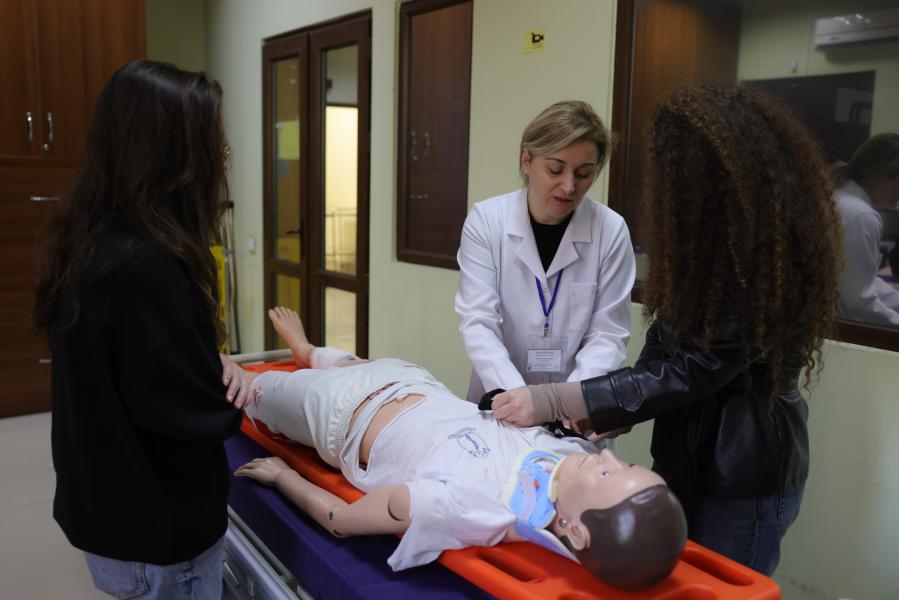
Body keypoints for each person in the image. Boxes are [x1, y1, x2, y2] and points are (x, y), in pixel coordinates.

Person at [488, 83, 843, 576]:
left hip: (741, 470)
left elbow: (699, 365)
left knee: (720, 584)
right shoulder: (711, 237)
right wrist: (614, 410)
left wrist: (559, 399)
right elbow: (668, 336)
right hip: (684, 453)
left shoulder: (762, 253)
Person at [235, 308, 686, 590]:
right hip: (412, 379)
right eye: (624, 463)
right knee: (355, 363)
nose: (605, 457)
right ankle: (307, 351)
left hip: (338, 415)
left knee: (239, 382)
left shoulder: (469, 507)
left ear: (576, 531)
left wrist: (283, 476)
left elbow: (341, 522)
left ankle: (304, 361)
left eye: (607, 475)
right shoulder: (574, 457)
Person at [33, 60, 255, 599]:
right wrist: (235, 384)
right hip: (157, 534)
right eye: (216, 148)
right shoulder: (147, 268)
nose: (223, 162)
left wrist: (202, 358)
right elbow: (203, 410)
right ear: (177, 160)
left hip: (107, 512)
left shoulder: (91, 241)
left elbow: (138, 367)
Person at [454, 100, 636, 409]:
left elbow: (608, 334)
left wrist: (562, 404)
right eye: (555, 169)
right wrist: (519, 399)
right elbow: (479, 322)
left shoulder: (610, 230)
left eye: (584, 173)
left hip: (573, 408)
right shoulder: (487, 221)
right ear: (526, 160)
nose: (569, 186)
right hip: (501, 398)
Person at [831, 133, 899, 327]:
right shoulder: (861, 215)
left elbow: (859, 279)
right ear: (886, 174)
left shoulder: (842, 198)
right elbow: (858, 300)